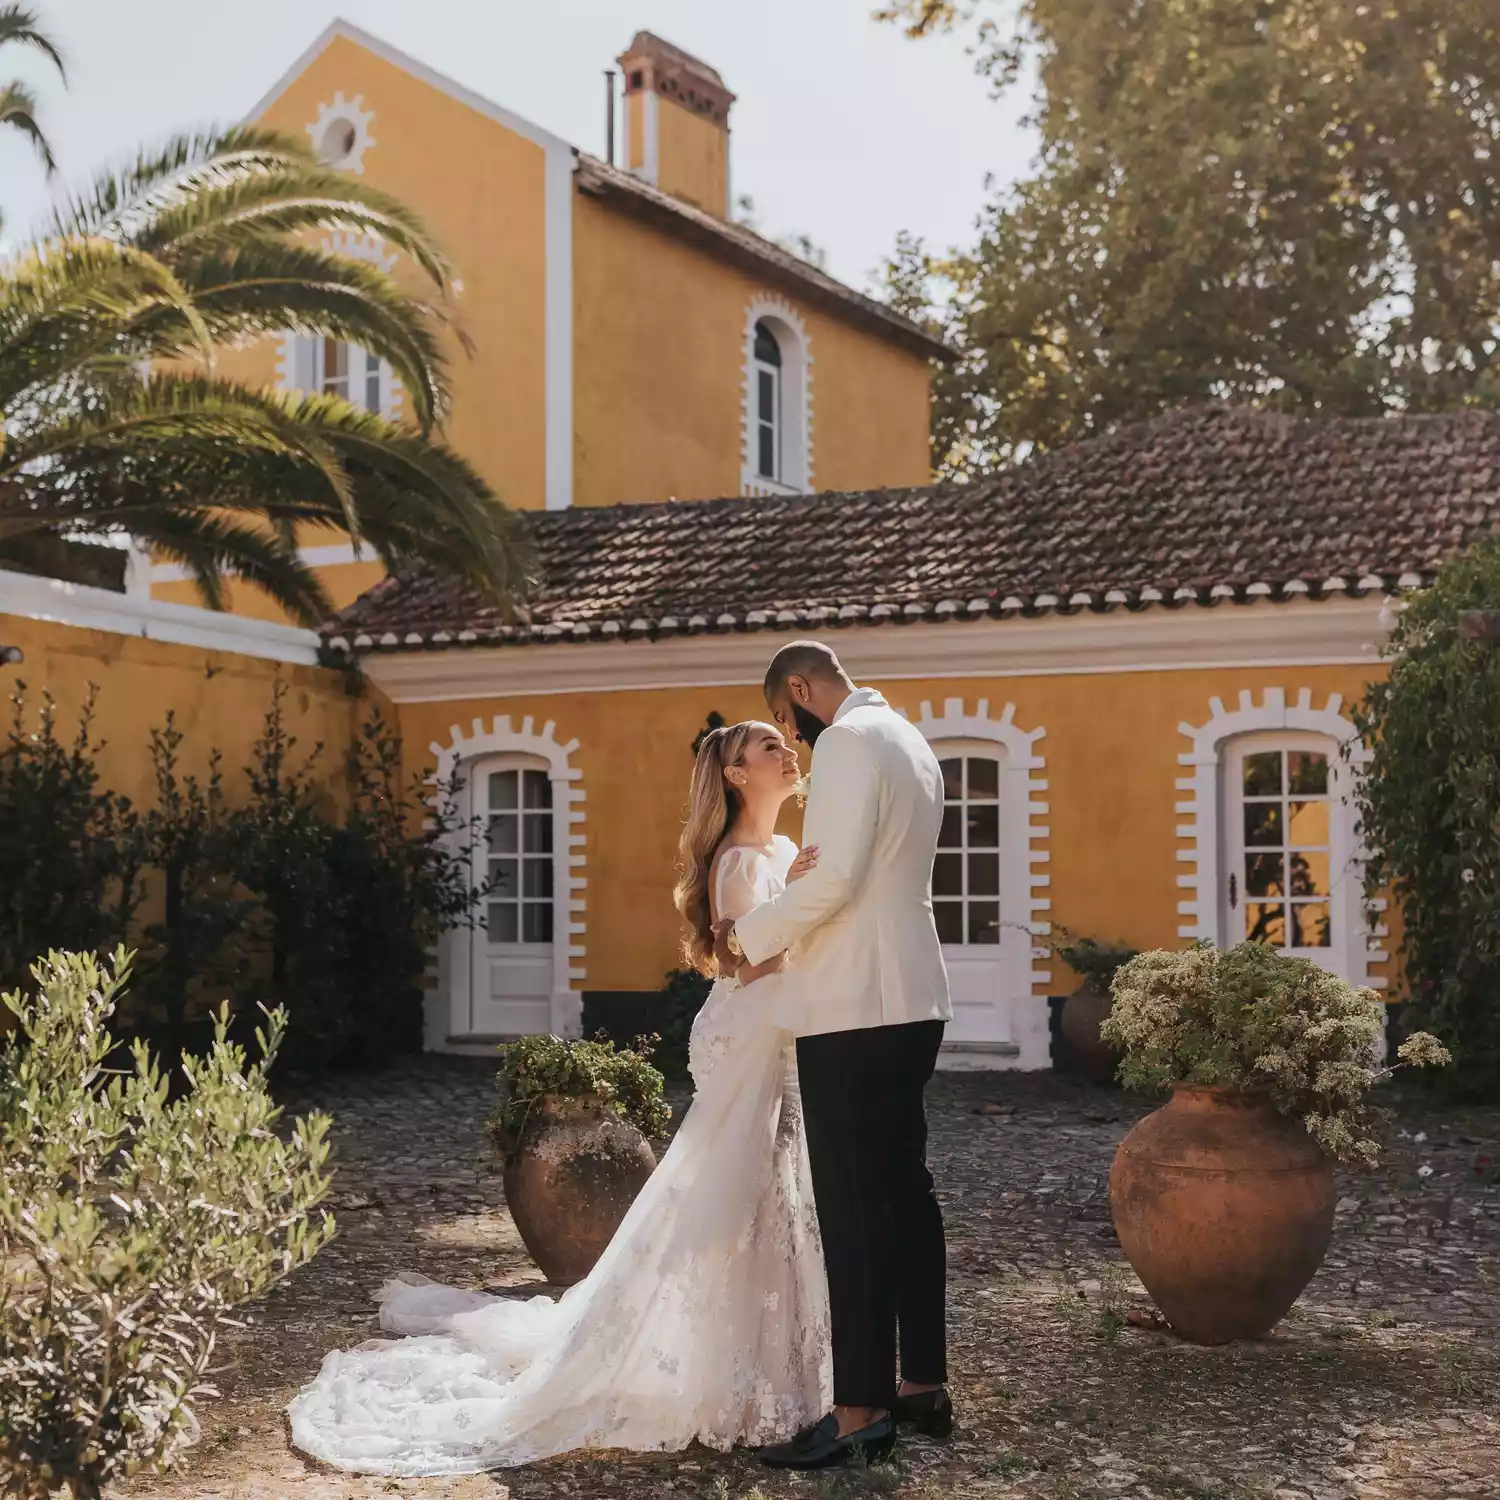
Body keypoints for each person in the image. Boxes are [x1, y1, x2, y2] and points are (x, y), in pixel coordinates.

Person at [287, 721, 830, 1475]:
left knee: (771, 1196)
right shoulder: (740, 863)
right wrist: (803, 911)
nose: (787, 753)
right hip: (756, 1035)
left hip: (782, 1037)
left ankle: (780, 1361)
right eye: (769, 747)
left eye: (784, 745)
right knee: (736, 1198)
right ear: (737, 775)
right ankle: (728, 1372)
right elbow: (751, 967)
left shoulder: (780, 852)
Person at [714, 640, 954, 1471]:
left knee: (852, 1208)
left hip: (854, 1005)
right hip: (916, 999)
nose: (798, 738)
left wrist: (745, 937)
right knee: (906, 1192)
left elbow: (836, 880)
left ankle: (858, 1413)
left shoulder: (850, 741)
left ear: (804, 690)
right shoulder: (913, 741)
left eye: (790, 720)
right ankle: (923, 1384)